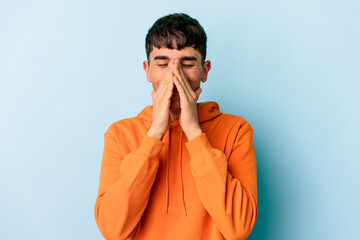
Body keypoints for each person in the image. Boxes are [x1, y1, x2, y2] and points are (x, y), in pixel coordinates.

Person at [94, 13, 258, 240]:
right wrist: (154, 135)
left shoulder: (236, 130)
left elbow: (238, 228)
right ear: (147, 70)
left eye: (188, 64)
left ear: (205, 70)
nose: (174, 74)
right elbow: (112, 229)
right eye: (162, 64)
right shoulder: (119, 134)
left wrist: (193, 131)